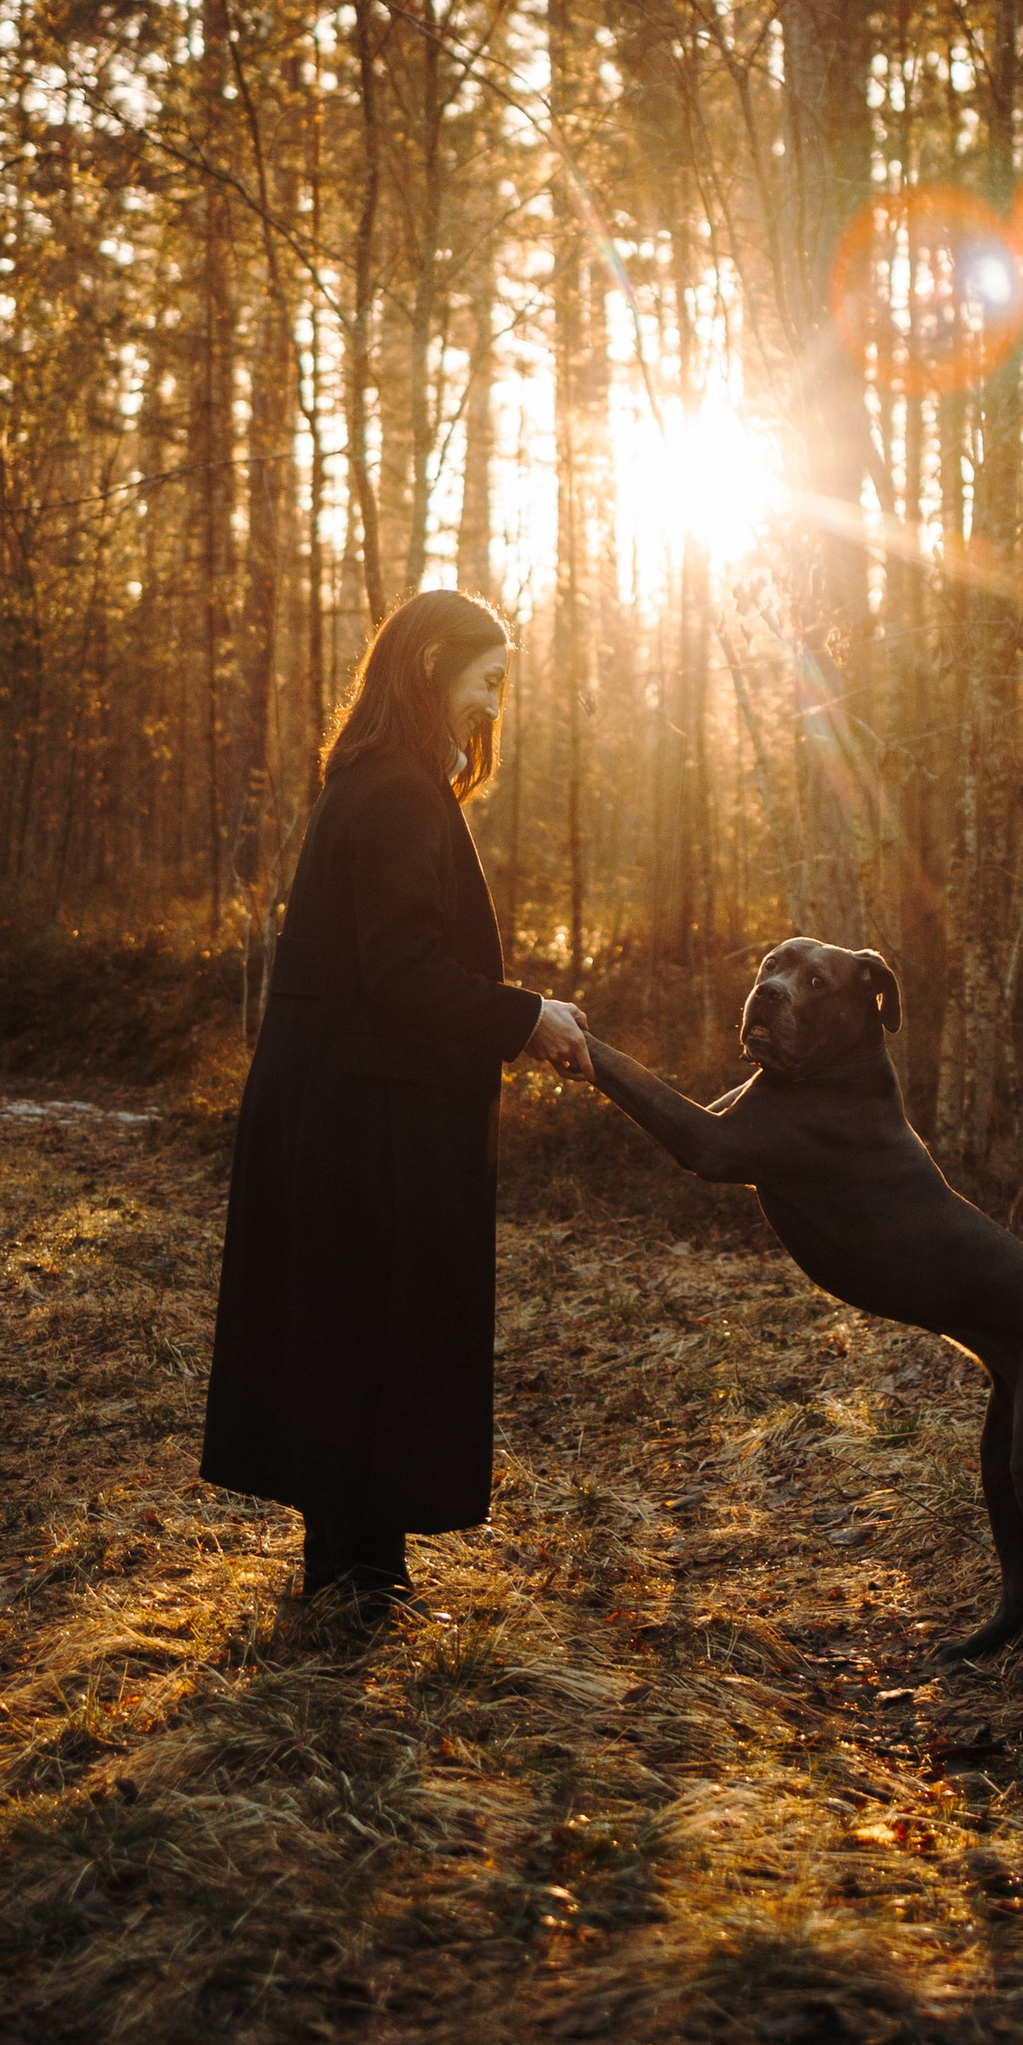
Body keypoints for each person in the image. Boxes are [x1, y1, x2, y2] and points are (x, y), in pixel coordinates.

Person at [200, 588, 589, 1611]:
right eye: (486, 682)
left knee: (347, 1328)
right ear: (431, 670)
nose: (492, 708)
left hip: (349, 1107)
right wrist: (528, 1019)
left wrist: (521, 1018)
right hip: (360, 1117)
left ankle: (355, 1565)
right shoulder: (393, 797)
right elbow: (403, 970)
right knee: (363, 1328)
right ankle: (357, 1569)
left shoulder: (380, 785)